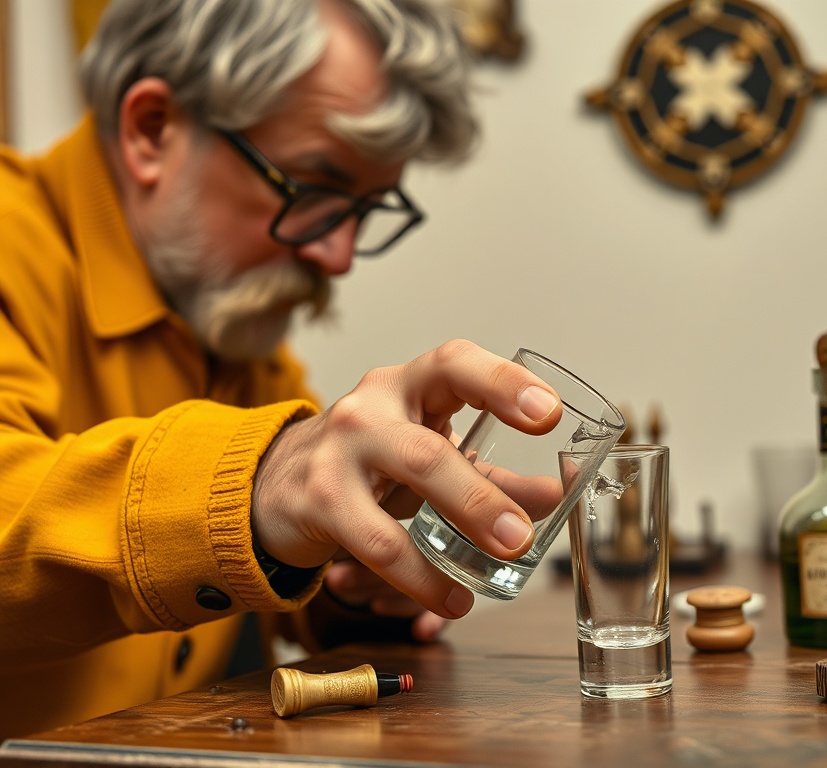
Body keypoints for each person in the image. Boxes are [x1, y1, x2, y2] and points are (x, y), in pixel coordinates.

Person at [0, 0, 564, 739]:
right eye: (313, 188)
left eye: (366, 208)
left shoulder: (227, 322)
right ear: (152, 129)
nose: (338, 256)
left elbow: (286, 565)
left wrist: (355, 582)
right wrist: (261, 482)